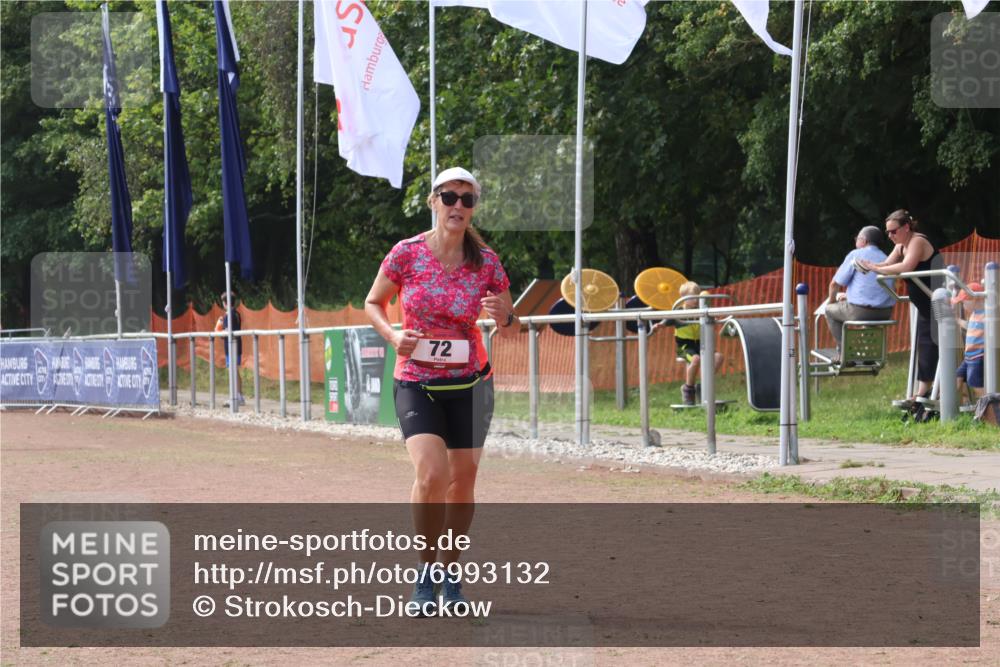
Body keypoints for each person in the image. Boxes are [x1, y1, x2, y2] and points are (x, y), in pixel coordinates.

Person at [364, 167, 519, 616]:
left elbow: (513, 327)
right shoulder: (407, 253)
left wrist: (504, 315)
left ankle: (450, 575)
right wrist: (394, 337)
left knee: (462, 482)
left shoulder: (486, 261)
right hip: (417, 382)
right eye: (450, 197)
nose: (458, 206)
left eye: (468, 200)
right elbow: (373, 302)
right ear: (433, 201)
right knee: (432, 475)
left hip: (470, 383)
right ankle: (424, 571)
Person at [858, 209, 941, 402]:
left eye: (893, 231)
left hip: (937, 302)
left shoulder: (917, 241)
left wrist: (877, 268)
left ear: (906, 227)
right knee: (924, 345)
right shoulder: (901, 246)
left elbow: (906, 267)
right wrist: (871, 265)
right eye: (887, 232)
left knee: (933, 346)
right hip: (924, 305)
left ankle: (929, 393)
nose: (890, 236)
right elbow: (887, 263)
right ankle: (923, 392)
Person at [823, 226, 895, 359]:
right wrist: (849, 296)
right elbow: (874, 287)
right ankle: (868, 352)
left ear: (864, 240)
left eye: (857, 238)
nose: (855, 241)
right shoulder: (886, 258)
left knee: (829, 311)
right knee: (853, 309)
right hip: (885, 312)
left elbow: (834, 284)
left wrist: (831, 302)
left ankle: (843, 352)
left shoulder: (856, 255)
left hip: (861, 312)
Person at [665, 281, 722, 406]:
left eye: (698, 297)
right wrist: (657, 326)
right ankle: (688, 388)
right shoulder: (678, 312)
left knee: (718, 357)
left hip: (701, 346)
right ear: (683, 298)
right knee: (695, 360)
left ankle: (703, 385)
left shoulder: (701, 310)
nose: (696, 301)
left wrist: (714, 319)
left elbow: (711, 318)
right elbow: (664, 321)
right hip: (684, 347)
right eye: (692, 298)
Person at [954, 282, 986, 404]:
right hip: (969, 356)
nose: (963, 305)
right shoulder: (974, 314)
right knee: (957, 377)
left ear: (975, 299)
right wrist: (956, 320)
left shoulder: (986, 314)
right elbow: (969, 326)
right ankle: (954, 404)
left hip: (978, 355)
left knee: (976, 385)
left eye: (964, 301)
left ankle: (990, 407)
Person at [215, 290, 244, 406]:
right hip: (237, 345)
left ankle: (235, 397)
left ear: (225, 303)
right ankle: (239, 396)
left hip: (232, 346)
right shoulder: (237, 313)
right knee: (235, 370)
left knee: (233, 370)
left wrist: (218, 331)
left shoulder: (228, 315)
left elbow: (227, 331)